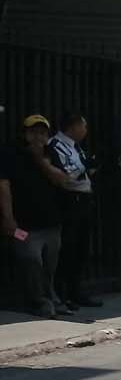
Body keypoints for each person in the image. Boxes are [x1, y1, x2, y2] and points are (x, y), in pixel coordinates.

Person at [2, 114, 69, 318]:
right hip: (24, 224)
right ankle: (39, 301)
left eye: (42, 133)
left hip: (51, 223)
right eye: (34, 132)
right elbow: (3, 187)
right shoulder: (10, 154)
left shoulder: (51, 154)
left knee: (50, 264)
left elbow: (62, 180)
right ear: (25, 134)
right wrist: (8, 218)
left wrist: (41, 160)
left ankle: (50, 296)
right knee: (31, 261)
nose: (38, 137)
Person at [46, 111, 100, 310]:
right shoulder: (56, 145)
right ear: (73, 127)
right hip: (70, 201)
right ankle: (63, 293)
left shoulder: (76, 147)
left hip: (84, 199)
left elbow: (82, 171)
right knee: (68, 248)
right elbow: (66, 176)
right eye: (83, 126)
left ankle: (76, 291)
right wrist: (83, 168)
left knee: (82, 249)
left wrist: (90, 167)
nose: (85, 131)